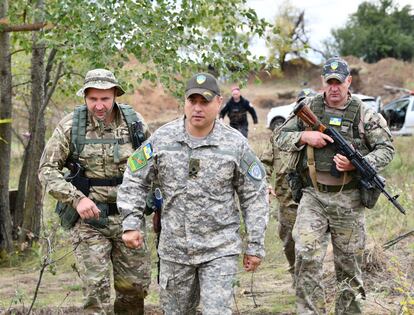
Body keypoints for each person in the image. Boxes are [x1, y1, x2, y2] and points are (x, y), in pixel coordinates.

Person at [118, 72, 269, 315]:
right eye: (192, 101)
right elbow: (134, 178)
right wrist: (131, 223)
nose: (197, 108)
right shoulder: (162, 139)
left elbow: (254, 195)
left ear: (219, 103)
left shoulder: (235, 144)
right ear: (185, 102)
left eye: (205, 102)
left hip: (220, 250)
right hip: (175, 251)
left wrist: (255, 245)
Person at [275, 57, 394, 314]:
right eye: (329, 82)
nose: (334, 88)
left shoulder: (365, 113)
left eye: (339, 82)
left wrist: (358, 163)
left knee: (350, 265)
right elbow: (279, 137)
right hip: (313, 196)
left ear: (348, 81)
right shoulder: (309, 108)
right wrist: (305, 136)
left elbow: (386, 149)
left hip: (349, 200)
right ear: (323, 83)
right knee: (305, 253)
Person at [38, 69, 151, 314]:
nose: (99, 106)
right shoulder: (71, 126)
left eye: (105, 99)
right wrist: (76, 199)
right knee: (95, 293)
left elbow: (153, 167)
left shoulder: (135, 123)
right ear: (85, 97)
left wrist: (154, 205)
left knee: (134, 290)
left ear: (115, 96)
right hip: (89, 222)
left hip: (128, 219)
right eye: (93, 99)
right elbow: (46, 170)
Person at [261, 88, 316, 281]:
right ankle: (295, 272)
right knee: (289, 241)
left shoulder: (319, 135)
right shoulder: (281, 134)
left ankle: (308, 279)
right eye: (302, 104)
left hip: (313, 197)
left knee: (309, 241)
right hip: (286, 200)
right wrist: (265, 184)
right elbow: (265, 162)